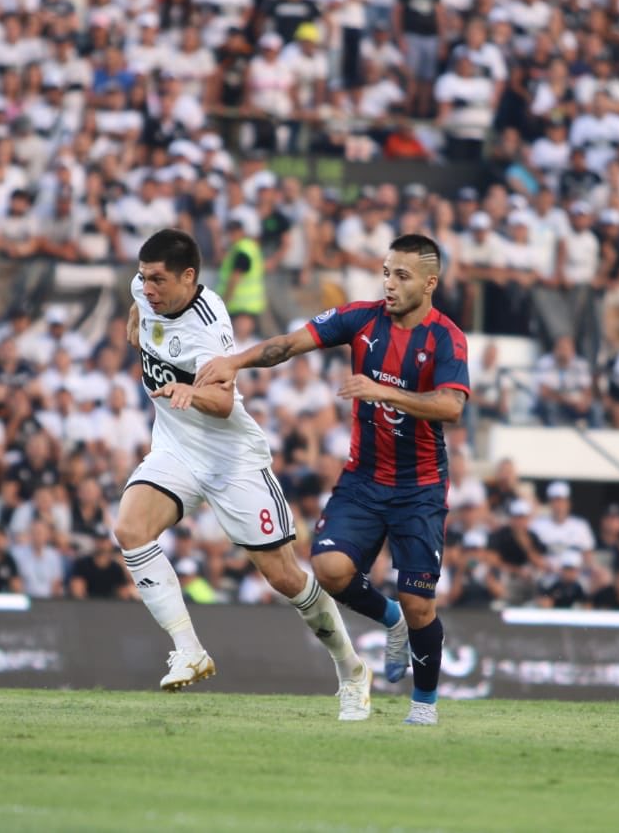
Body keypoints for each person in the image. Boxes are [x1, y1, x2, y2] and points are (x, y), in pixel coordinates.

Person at [196, 233, 470, 726]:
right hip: (363, 479)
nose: (389, 283)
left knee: (420, 604)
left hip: (420, 485)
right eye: (386, 272)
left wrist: (381, 388)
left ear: (430, 283)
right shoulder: (360, 319)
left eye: (401, 275)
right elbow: (286, 345)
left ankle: (424, 706)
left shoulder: (446, 338)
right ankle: (390, 622)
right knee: (330, 570)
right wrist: (234, 362)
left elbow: (451, 405)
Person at [116, 229, 369, 720]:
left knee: (284, 576)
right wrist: (134, 321)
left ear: (189, 278)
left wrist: (193, 393)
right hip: (175, 448)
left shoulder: (208, 328)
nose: (148, 288)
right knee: (130, 529)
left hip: (230, 457)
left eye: (158, 281)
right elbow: (139, 310)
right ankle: (188, 649)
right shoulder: (143, 291)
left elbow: (224, 400)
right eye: (144, 278)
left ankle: (351, 668)